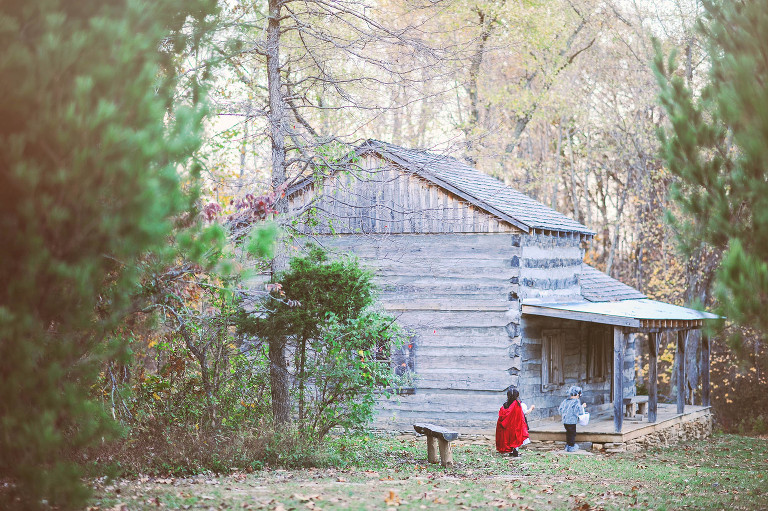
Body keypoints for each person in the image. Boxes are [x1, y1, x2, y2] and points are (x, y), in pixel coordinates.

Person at [496, 387, 529, 457]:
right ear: (517, 396)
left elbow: (502, 415)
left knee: (509, 438)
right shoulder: (519, 404)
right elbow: (524, 412)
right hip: (516, 425)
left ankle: (510, 451)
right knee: (515, 438)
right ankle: (515, 451)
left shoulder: (505, 405)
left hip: (507, 426)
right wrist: (532, 408)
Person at [558, 385, 587, 452]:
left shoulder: (565, 401)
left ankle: (568, 445)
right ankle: (571, 446)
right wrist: (582, 407)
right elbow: (578, 410)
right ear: (577, 394)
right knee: (572, 433)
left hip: (565, 421)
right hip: (572, 421)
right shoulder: (576, 401)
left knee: (568, 433)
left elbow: (560, 409)